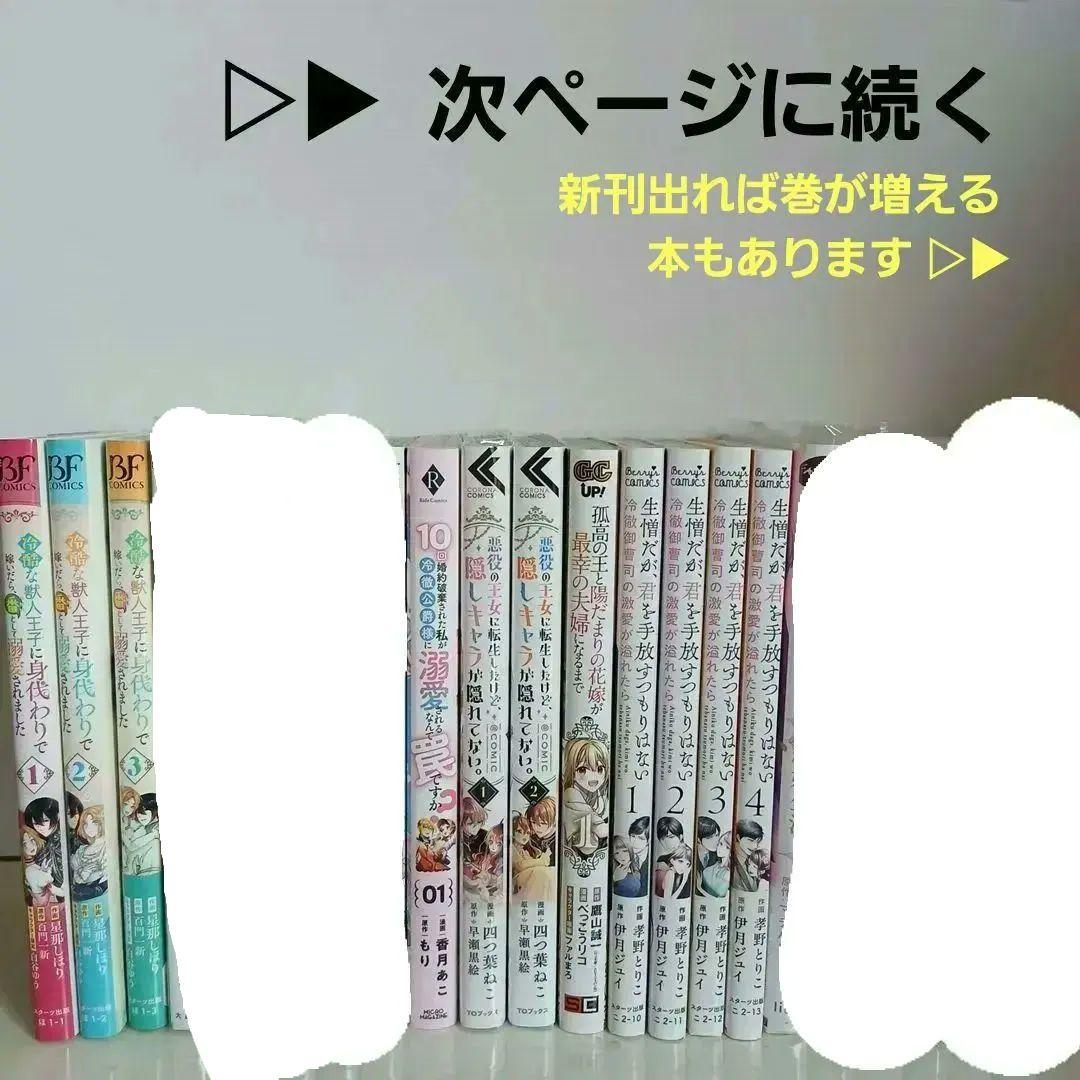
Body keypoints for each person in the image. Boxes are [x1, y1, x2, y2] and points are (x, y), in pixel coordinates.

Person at [562, 736, 609, 858]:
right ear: (571, 771)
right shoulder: (570, 794)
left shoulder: (599, 795)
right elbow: (601, 830)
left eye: (599, 769)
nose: (593, 777)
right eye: (582, 769)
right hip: (573, 853)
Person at [24, 797, 64, 890]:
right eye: (36, 823)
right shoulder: (35, 840)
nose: (41, 827)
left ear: (57, 816)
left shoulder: (67, 836)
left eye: (45, 820)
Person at [71, 806, 109, 901]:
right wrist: (83, 873)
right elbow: (76, 878)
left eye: (94, 823)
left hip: (101, 895)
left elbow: (106, 874)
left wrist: (85, 875)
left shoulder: (107, 847)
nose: (89, 828)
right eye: (85, 824)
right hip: (81, 895)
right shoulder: (81, 850)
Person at [695, 817, 730, 898]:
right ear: (698, 839)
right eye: (709, 837)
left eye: (717, 835)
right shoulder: (690, 856)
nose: (716, 840)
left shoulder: (720, 856)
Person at [730, 818, 767, 892]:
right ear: (738, 837)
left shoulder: (755, 860)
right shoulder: (730, 860)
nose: (755, 846)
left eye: (757, 842)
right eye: (750, 840)